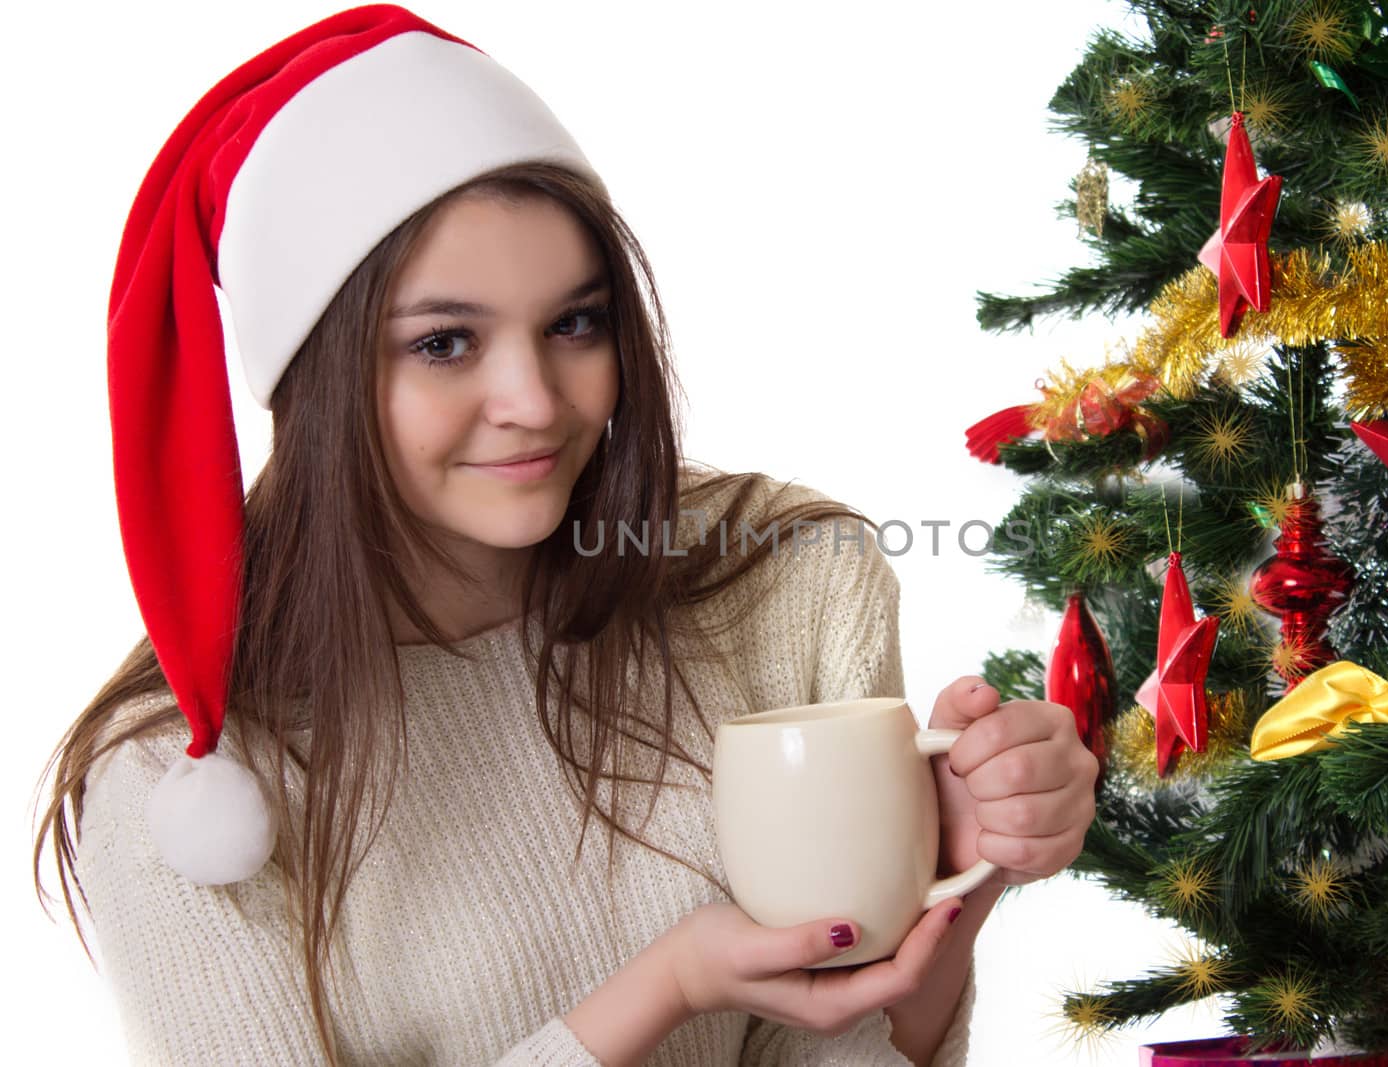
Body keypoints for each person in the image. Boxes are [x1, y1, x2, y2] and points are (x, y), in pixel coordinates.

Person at [30, 6, 1099, 1065]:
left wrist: (952, 876)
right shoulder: (181, 782)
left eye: (573, 323)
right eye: (444, 342)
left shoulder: (781, 579)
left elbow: (839, 1041)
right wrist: (660, 989)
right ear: (313, 380)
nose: (534, 401)